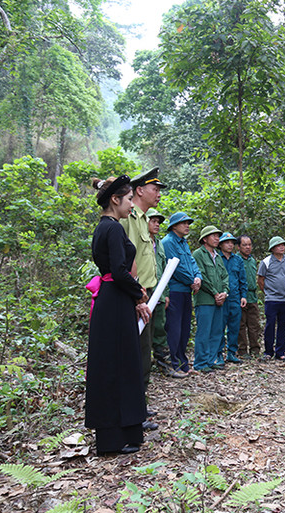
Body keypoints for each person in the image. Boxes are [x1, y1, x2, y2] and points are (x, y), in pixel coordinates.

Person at [87, 175, 149, 455]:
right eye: (127, 200)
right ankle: (113, 438)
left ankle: (124, 432)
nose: (131, 206)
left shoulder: (107, 227)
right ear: (115, 200)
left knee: (118, 364)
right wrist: (138, 293)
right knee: (116, 365)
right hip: (115, 302)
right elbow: (119, 270)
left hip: (114, 300)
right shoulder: (111, 229)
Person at [119, 167, 166, 425]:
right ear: (139, 190)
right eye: (155, 189)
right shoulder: (129, 218)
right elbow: (126, 261)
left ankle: (140, 404)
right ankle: (133, 410)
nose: (158, 194)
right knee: (136, 355)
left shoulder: (143, 219)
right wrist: (137, 297)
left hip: (149, 296)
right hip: (137, 298)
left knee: (144, 354)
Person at [161, 212, 202, 374]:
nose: (187, 226)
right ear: (174, 226)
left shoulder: (183, 242)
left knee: (185, 328)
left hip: (186, 291)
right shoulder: (168, 242)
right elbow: (176, 268)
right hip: (175, 291)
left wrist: (198, 277)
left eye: (188, 223)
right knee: (174, 328)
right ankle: (174, 363)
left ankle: (183, 363)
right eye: (184, 223)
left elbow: (192, 263)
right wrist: (192, 280)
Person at [146, 208, 185, 379]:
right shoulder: (142, 242)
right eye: (152, 221)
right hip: (145, 294)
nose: (156, 224)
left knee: (160, 331)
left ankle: (164, 366)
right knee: (144, 333)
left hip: (160, 295)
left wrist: (166, 293)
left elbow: (164, 270)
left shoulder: (159, 244)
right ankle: (143, 367)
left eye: (158, 222)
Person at [192, 226, 229, 372]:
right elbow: (201, 276)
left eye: (217, 236)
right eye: (213, 236)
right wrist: (215, 293)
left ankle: (210, 360)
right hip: (205, 300)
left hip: (219, 300)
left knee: (217, 332)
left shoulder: (218, 256)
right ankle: (200, 363)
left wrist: (224, 292)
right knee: (204, 331)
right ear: (205, 239)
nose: (216, 238)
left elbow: (225, 276)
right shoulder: (198, 254)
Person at [257, 236, 285, 361]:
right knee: (270, 325)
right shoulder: (266, 262)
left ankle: (280, 352)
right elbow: (260, 280)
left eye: (283, 245)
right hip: (271, 299)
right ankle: (268, 352)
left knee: (284, 325)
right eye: (278, 245)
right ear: (272, 248)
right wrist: (267, 292)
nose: (282, 247)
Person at [219, 232, 246, 363]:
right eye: (227, 242)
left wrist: (243, 296)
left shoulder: (238, 260)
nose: (230, 245)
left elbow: (242, 279)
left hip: (235, 297)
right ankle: (218, 354)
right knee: (219, 326)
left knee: (234, 326)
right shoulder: (217, 258)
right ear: (221, 244)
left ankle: (231, 352)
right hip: (221, 297)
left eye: (232, 243)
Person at [237, 235, 262, 358]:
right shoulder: (236, 259)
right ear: (238, 247)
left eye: (249, 245)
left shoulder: (252, 260)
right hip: (241, 296)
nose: (247, 247)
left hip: (252, 296)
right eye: (244, 245)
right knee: (241, 324)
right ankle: (242, 350)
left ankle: (255, 349)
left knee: (254, 324)